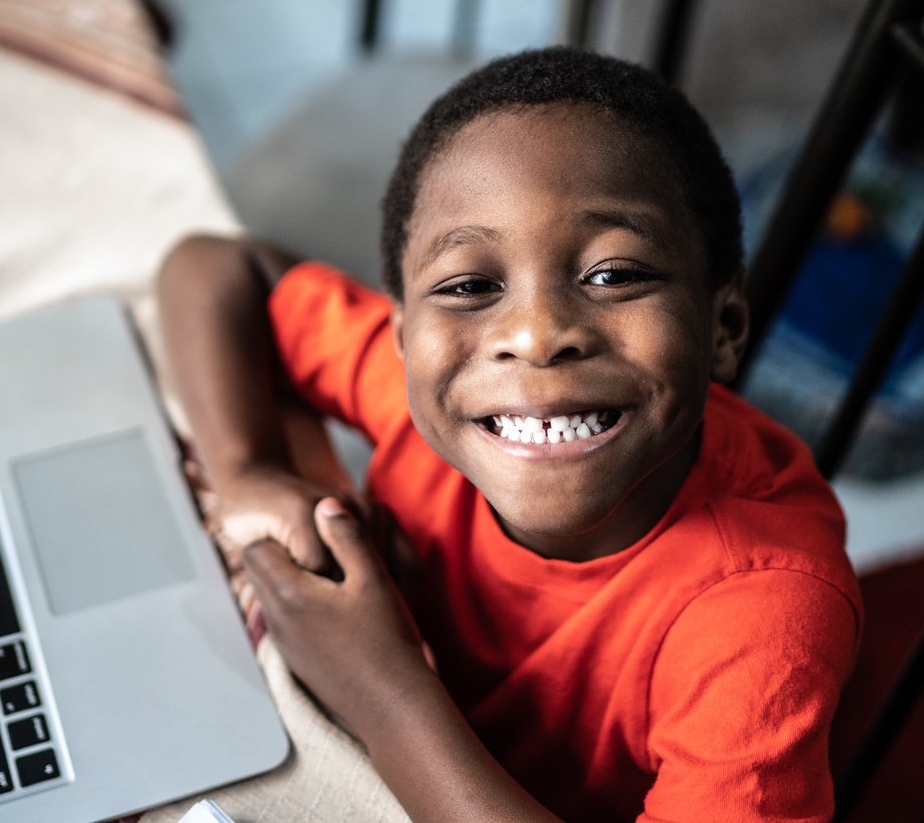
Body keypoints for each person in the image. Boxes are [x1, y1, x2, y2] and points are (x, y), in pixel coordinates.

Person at [157, 47, 862, 822]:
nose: (533, 334)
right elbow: (214, 267)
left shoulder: (762, 611)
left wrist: (383, 693)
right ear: (401, 336)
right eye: (468, 286)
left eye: (612, 273)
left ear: (723, 325)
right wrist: (247, 469)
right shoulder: (439, 390)